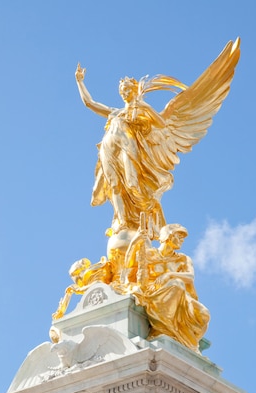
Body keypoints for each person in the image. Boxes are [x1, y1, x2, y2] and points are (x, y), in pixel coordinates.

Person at [75, 39, 240, 237]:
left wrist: (145, 107)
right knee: (114, 187)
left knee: (133, 183)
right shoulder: (114, 114)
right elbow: (89, 103)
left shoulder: (142, 111)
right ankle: (123, 223)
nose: (124, 92)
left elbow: (162, 124)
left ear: (135, 90)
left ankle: (150, 215)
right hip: (109, 152)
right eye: (122, 90)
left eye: (128, 89)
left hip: (129, 150)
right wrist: (80, 81)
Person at [126, 223, 210, 352]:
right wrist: (135, 242)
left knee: (203, 314)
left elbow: (190, 276)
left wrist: (169, 275)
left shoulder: (183, 259)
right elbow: (128, 266)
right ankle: (164, 330)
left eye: (183, 238)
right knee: (177, 284)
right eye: (179, 236)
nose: (182, 241)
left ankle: (185, 340)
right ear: (168, 236)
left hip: (179, 296)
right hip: (153, 292)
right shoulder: (148, 253)